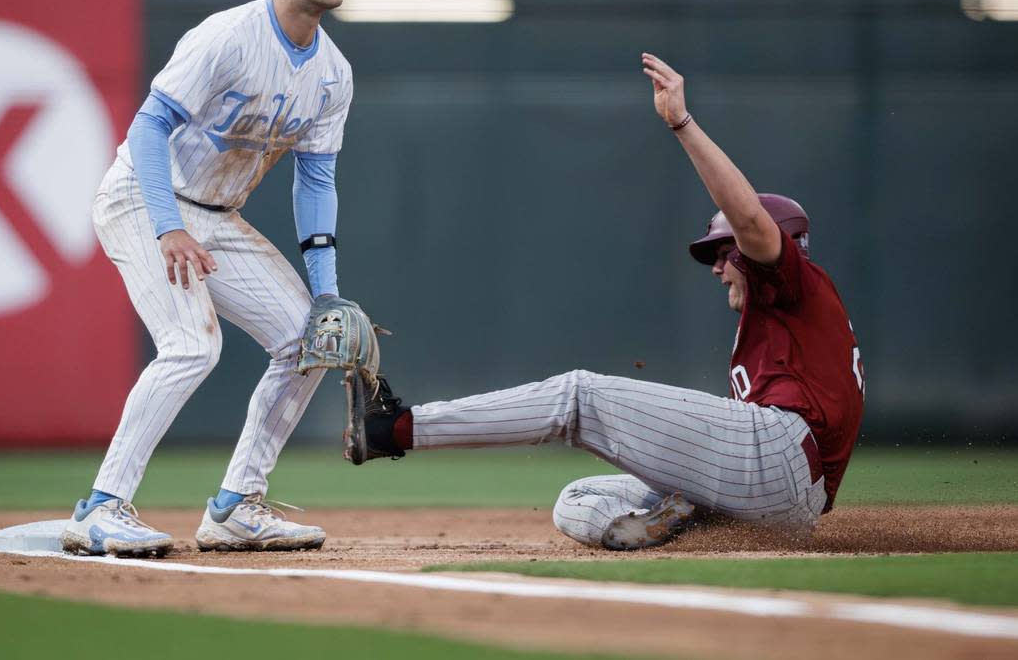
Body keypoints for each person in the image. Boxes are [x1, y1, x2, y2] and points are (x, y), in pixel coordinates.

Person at [347, 53, 865, 549]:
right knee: (578, 498)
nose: (716, 266)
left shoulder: (796, 280)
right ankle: (664, 532)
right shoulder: (789, 320)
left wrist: (682, 123)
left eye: (724, 253)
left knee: (577, 396)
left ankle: (394, 429)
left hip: (777, 458)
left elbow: (751, 220)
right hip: (783, 501)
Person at [60, 0, 373, 557]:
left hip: (218, 215)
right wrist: (168, 229)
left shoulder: (333, 73)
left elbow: (315, 182)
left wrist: (327, 293)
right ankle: (99, 508)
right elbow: (149, 127)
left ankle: (235, 508)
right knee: (190, 346)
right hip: (144, 198)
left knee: (306, 340)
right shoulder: (228, 36)